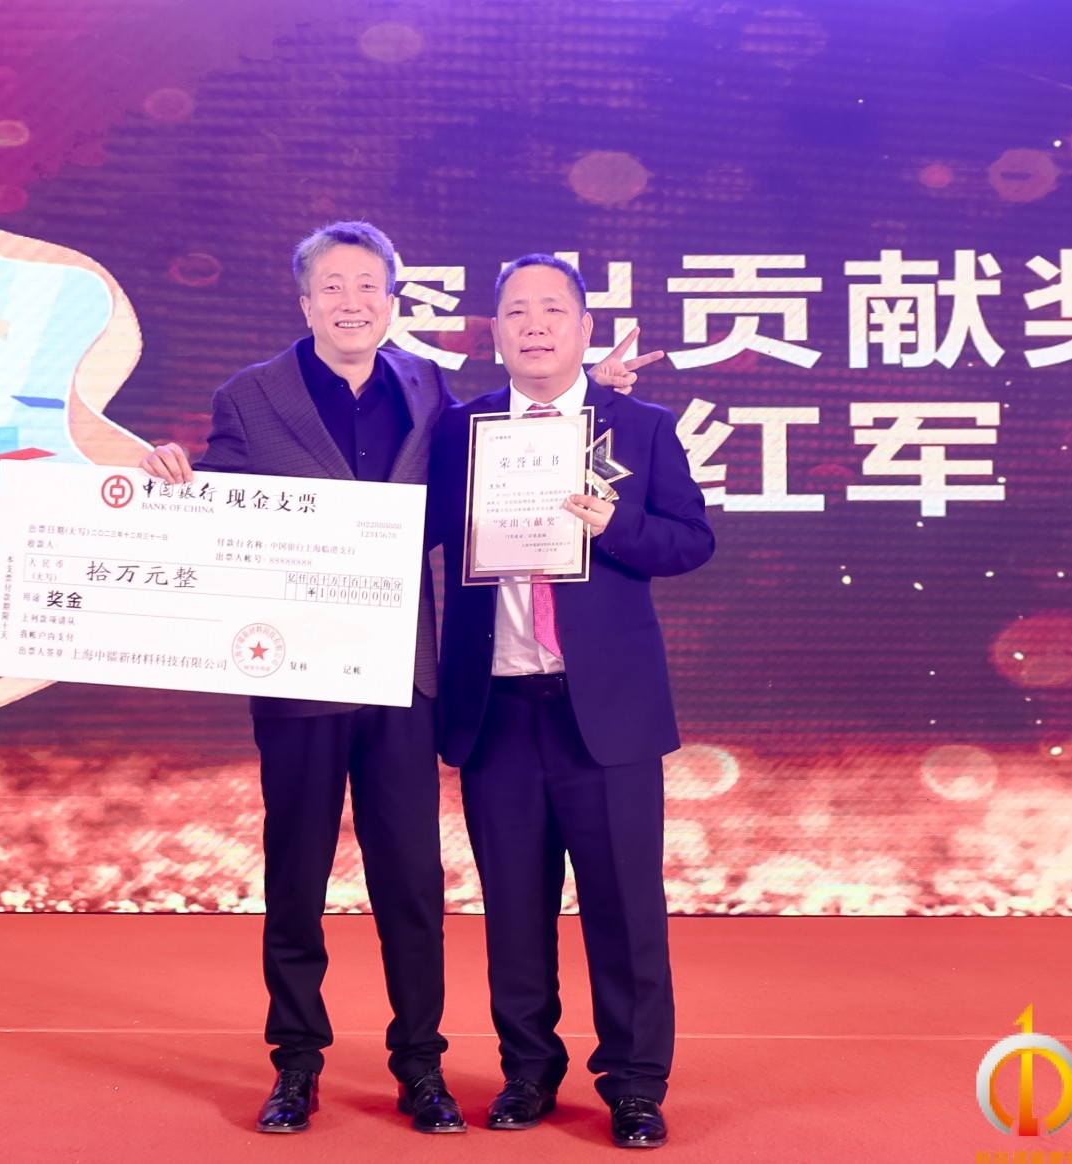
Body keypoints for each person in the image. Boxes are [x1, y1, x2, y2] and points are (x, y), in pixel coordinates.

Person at [140, 222, 463, 1135]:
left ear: (392, 300)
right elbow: (223, 511)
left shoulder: (429, 388)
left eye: (367, 286)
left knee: (412, 881)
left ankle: (420, 1066)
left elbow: (483, 478)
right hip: (297, 669)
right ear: (305, 301)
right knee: (296, 872)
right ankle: (295, 1063)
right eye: (332, 287)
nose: (350, 302)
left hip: (401, 666)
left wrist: (602, 397)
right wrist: (173, 481)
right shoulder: (250, 395)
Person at [429, 254, 714, 1149]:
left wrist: (614, 524)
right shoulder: (460, 430)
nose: (534, 325)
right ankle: (527, 1073)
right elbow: (410, 529)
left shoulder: (640, 427)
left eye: (552, 309)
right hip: (497, 707)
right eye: (516, 311)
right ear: (496, 334)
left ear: (585, 328)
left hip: (608, 713)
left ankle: (633, 1084)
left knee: (625, 909)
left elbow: (690, 541)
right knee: (514, 908)